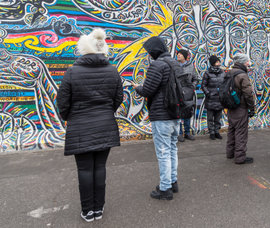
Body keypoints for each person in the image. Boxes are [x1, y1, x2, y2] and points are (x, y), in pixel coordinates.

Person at [56, 29, 123, 222]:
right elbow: (119, 97)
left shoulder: (72, 71)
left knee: (84, 169)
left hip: (80, 126)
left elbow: (63, 101)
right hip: (105, 125)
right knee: (100, 167)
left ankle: (88, 211)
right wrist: (106, 112)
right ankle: (98, 209)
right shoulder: (112, 70)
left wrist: (70, 116)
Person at [131, 36, 181, 200]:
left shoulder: (157, 65)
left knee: (163, 152)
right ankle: (173, 182)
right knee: (172, 148)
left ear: (154, 51)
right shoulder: (175, 63)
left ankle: (165, 188)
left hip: (161, 115)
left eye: (149, 52)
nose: (148, 55)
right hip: (176, 113)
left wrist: (138, 87)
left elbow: (148, 90)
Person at [226, 53, 256, 164]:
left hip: (230, 106)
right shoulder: (242, 75)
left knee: (231, 129)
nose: (249, 63)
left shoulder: (229, 73)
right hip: (240, 107)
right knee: (241, 132)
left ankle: (230, 153)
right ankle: (240, 157)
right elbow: (248, 93)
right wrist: (251, 107)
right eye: (247, 61)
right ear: (243, 62)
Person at [176, 49, 199, 142]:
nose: (178, 56)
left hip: (188, 93)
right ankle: (180, 133)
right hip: (178, 93)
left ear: (185, 57)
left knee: (187, 113)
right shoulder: (175, 66)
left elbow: (195, 78)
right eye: (177, 54)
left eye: (180, 54)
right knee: (178, 114)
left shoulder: (190, 66)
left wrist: (192, 86)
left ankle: (187, 133)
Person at [201, 55, 225, 140]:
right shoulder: (207, 73)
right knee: (210, 117)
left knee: (218, 117)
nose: (219, 63)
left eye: (219, 61)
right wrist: (208, 93)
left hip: (219, 99)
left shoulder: (222, 72)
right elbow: (203, 85)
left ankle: (217, 131)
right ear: (213, 63)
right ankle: (211, 132)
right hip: (211, 99)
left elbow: (225, 84)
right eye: (217, 61)